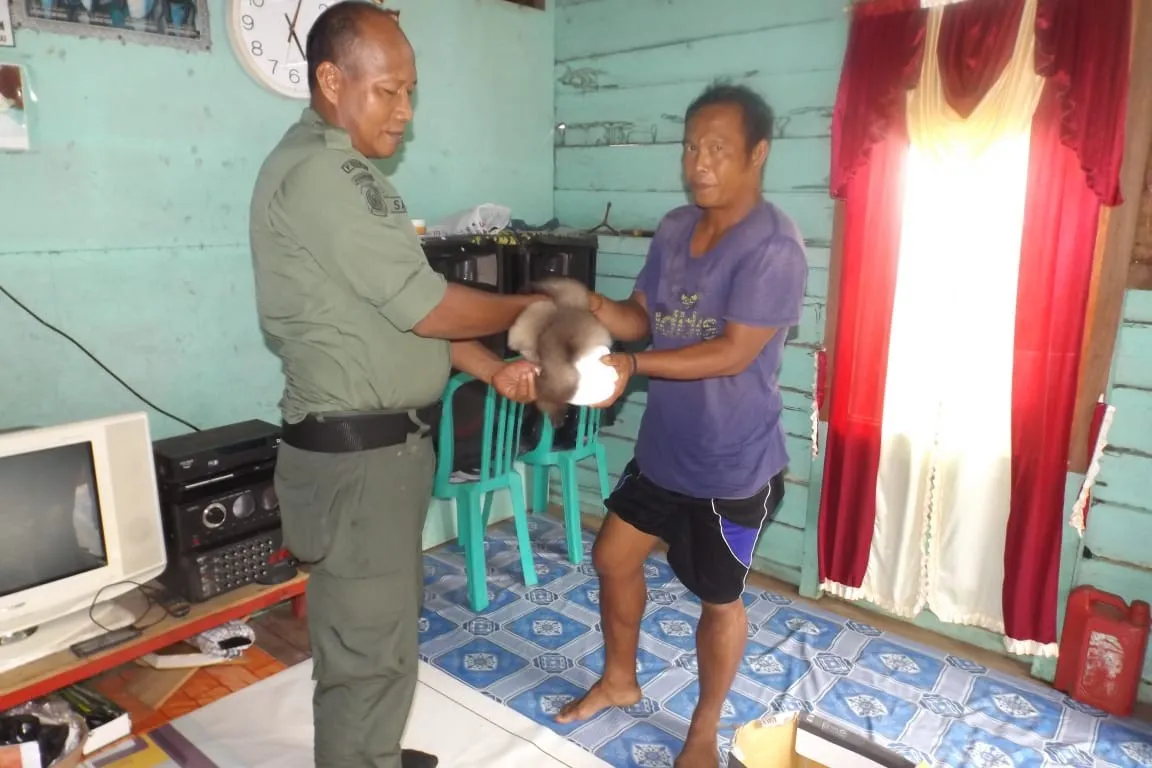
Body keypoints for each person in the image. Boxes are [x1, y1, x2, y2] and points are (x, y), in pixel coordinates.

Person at [247, 4, 543, 768]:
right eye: (388, 91)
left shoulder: (344, 173)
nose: (405, 110)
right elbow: (430, 307)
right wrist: (532, 306)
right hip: (360, 461)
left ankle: (369, 753)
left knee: (374, 635)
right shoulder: (324, 175)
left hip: (376, 457)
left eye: (411, 91)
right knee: (368, 652)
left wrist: (489, 366)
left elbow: (399, 319)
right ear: (331, 79)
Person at [555, 83, 808, 767]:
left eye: (718, 149)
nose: (699, 163)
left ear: (757, 154)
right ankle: (619, 679)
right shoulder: (673, 229)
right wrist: (596, 307)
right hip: (665, 449)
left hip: (734, 465)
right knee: (613, 558)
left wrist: (633, 365)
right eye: (692, 146)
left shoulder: (774, 246)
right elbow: (643, 317)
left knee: (718, 600)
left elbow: (732, 352)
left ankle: (703, 728)